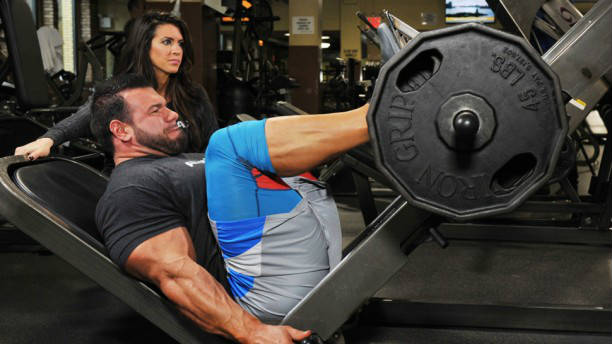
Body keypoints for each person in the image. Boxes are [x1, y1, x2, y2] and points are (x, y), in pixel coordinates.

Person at [90, 73, 369, 342]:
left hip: (305, 252)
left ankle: (380, 118)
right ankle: (377, 114)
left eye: (167, 106)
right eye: (156, 110)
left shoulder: (176, 161)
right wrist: (252, 332)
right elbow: (175, 274)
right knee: (227, 143)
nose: (172, 114)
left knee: (268, 157)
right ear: (121, 130)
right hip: (261, 293)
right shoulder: (129, 189)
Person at [14, 12, 217, 163]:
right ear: (145, 46)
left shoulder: (193, 94)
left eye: (180, 43)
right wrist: (48, 139)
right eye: (167, 42)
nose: (176, 50)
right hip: (139, 187)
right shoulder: (123, 90)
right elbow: (85, 116)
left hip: (185, 181)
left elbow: (212, 144)